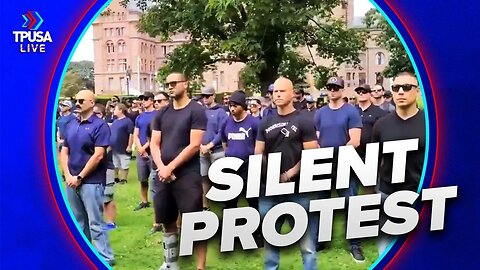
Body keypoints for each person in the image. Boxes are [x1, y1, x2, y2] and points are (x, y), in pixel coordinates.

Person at [256, 77, 319, 270]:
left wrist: (290, 173)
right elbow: (258, 153)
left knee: (306, 244)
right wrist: (270, 174)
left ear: (292, 94)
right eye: (275, 91)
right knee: (270, 240)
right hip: (270, 190)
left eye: (282, 91)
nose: (278, 94)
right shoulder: (265, 121)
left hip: (299, 190)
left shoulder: (304, 120)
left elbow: (311, 152)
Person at [150, 72, 207, 270]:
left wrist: (171, 167)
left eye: (174, 83)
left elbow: (194, 145)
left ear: (186, 84)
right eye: (167, 84)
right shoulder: (162, 113)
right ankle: (170, 262)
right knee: (167, 220)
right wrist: (162, 168)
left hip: (187, 175)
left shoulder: (196, 111)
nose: (170, 86)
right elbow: (154, 143)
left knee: (194, 222)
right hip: (163, 175)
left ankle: (201, 266)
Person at [372, 72, 425, 255]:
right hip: (388, 196)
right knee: (387, 253)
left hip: (421, 197)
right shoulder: (381, 125)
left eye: (407, 87)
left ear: (417, 91)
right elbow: (374, 161)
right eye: (396, 88)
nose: (401, 92)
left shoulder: (431, 124)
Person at [60, 90, 115, 265]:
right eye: (76, 100)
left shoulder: (100, 125)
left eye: (82, 100)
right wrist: (69, 175)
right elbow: (64, 150)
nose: (78, 103)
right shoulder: (71, 124)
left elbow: (99, 155)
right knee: (78, 222)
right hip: (72, 181)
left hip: (91, 181)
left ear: (92, 102)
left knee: (95, 223)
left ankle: (105, 258)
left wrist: (80, 176)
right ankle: (83, 254)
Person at [314, 76, 365, 262]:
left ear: (342, 90)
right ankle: (321, 241)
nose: (333, 90)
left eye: (336, 87)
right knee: (322, 204)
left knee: (351, 204)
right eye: (330, 87)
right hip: (324, 165)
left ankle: (355, 245)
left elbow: (355, 140)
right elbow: (318, 139)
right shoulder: (319, 113)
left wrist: (338, 155)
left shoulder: (351, 112)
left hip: (345, 164)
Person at [199, 86, 229, 211]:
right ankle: (205, 205)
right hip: (202, 150)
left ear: (213, 96)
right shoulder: (201, 111)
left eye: (207, 96)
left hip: (217, 150)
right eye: (203, 96)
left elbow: (222, 132)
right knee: (203, 178)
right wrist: (201, 145)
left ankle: (225, 204)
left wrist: (210, 145)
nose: (205, 98)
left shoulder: (221, 112)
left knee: (220, 179)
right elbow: (198, 130)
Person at [354, 84, 387, 193]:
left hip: (371, 154)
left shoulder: (379, 113)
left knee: (369, 187)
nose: (361, 94)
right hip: (353, 154)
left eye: (364, 91)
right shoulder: (352, 112)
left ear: (370, 94)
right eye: (359, 92)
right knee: (350, 185)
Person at [93, 104, 118, 231]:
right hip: (93, 168)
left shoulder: (106, 127)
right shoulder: (91, 127)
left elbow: (108, 146)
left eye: (95, 113)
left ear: (101, 114)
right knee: (95, 196)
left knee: (108, 196)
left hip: (106, 167)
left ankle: (111, 222)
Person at [149, 92, 170, 235]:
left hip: (172, 164)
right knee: (156, 195)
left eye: (160, 101)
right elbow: (151, 141)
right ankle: (157, 223)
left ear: (167, 101)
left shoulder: (175, 118)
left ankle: (177, 226)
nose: (156, 103)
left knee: (175, 196)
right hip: (156, 164)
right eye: (155, 101)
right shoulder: (154, 119)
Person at [133, 91, 157, 211]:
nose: (143, 101)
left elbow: (154, 135)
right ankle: (144, 201)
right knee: (142, 179)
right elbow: (135, 134)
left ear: (152, 100)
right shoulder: (139, 117)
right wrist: (139, 147)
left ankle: (156, 202)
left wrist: (145, 147)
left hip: (152, 151)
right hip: (141, 151)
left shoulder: (156, 115)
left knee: (154, 179)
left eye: (146, 99)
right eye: (142, 99)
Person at [110, 103, 134, 185]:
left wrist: (129, 146)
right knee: (115, 163)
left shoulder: (128, 121)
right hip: (114, 147)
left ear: (120, 110)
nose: (114, 111)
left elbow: (131, 134)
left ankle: (124, 179)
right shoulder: (115, 121)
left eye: (115, 109)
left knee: (124, 163)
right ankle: (116, 178)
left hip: (123, 147)